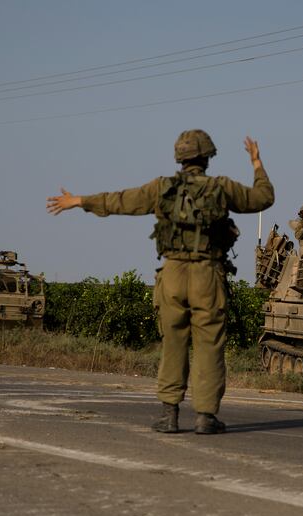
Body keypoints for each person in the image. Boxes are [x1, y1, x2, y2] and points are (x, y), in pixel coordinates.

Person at [46, 130, 274, 434]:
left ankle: (170, 414)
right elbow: (264, 198)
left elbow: (121, 201)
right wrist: (256, 163)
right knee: (209, 345)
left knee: (173, 342)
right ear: (207, 157)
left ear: (179, 158)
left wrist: (80, 200)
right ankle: (205, 417)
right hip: (208, 275)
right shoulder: (222, 188)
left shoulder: (161, 189)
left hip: (172, 274)